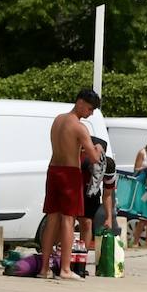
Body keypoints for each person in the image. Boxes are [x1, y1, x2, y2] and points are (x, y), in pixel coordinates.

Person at [39, 88, 102, 280]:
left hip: (53, 170)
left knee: (52, 219)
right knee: (68, 219)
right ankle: (65, 269)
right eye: (90, 109)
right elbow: (93, 158)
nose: (90, 113)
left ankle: (44, 269)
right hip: (69, 173)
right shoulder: (79, 127)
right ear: (80, 102)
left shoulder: (58, 119)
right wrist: (97, 147)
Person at [77, 137, 115, 266]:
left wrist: (109, 218)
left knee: (87, 223)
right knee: (67, 222)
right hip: (76, 189)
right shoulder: (81, 161)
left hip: (91, 193)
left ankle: (82, 259)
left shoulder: (109, 166)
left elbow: (108, 194)